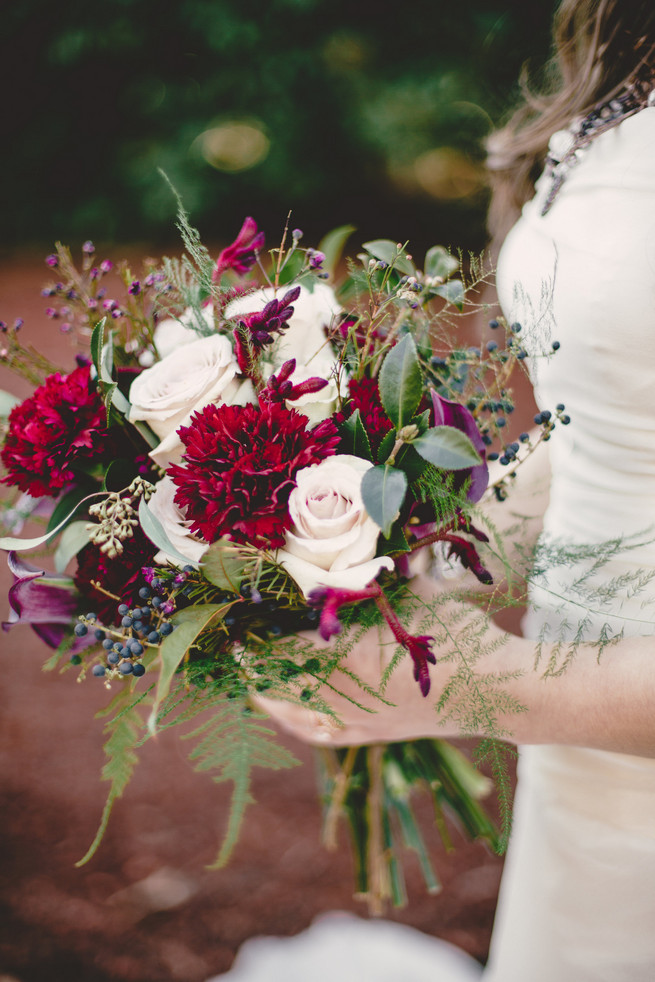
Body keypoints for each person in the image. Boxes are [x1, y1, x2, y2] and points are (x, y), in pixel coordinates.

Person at [214, 1, 655, 979]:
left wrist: (474, 683)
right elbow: (615, 417)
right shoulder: (628, 53)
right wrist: (430, 562)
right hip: (587, 751)